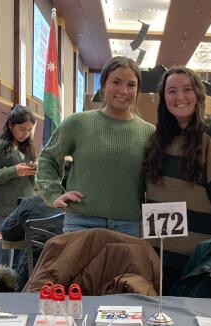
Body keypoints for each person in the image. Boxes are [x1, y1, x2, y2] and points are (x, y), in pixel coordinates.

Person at [143, 66, 211, 291]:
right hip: (158, 258)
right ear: (163, 98)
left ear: (198, 94)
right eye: (171, 91)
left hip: (199, 260)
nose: (179, 97)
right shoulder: (157, 138)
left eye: (187, 89)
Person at [36, 56, 155, 238]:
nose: (124, 90)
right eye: (116, 82)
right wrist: (53, 194)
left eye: (131, 85)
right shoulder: (78, 123)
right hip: (81, 223)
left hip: (129, 226)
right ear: (104, 84)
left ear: (138, 90)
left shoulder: (149, 133)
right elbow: (47, 158)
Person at [0, 104, 37, 269]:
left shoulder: (28, 147)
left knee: (21, 263)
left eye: (29, 130)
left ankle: (16, 293)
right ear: (11, 126)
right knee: (3, 263)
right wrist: (13, 171)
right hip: (2, 212)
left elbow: (33, 183)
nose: (26, 134)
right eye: (22, 129)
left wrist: (35, 171)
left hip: (24, 212)